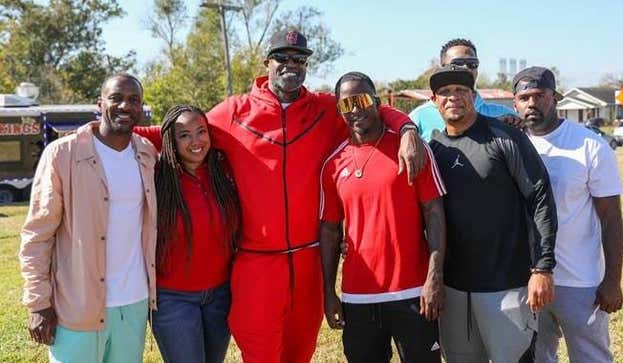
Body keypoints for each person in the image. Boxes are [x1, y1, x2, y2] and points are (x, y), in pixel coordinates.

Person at [134, 29, 426, 363]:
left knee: (299, 355)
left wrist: (407, 129)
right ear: (266, 63)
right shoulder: (233, 112)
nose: (291, 65)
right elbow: (169, 132)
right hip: (257, 263)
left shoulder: (324, 108)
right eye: (282, 58)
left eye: (299, 59)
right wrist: (103, 130)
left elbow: (374, 108)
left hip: (309, 263)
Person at [19, 74, 158, 363]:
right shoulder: (62, 154)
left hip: (133, 304)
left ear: (141, 107)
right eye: (116, 98)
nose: (125, 105)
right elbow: (37, 235)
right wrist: (38, 303)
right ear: (100, 103)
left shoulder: (146, 154)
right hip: (76, 305)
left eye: (134, 100)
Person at [428, 65, 558, 362]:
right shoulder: (433, 148)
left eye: (461, 90)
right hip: (454, 290)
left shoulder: (504, 136)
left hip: (507, 285)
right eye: (445, 92)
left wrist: (542, 268)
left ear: (473, 95)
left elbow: (540, 199)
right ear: (434, 100)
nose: (453, 98)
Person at [319, 72, 447, 363]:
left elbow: (434, 213)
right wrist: (328, 292)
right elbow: (329, 231)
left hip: (414, 292)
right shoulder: (333, 163)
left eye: (362, 100)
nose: (355, 110)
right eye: (345, 104)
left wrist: (434, 277)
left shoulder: (412, 151)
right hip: (358, 297)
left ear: (377, 103)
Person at [512, 66, 623, 363]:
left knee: (591, 357)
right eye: (524, 97)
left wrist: (612, 280)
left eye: (540, 95)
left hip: (579, 280)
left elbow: (611, 217)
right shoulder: (510, 144)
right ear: (515, 103)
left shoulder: (589, 146)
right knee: (537, 356)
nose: (532, 103)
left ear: (556, 97)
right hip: (526, 279)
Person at [151, 105, 241, 363]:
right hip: (173, 299)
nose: (195, 141)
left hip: (220, 296)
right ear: (170, 140)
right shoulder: (157, 177)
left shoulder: (223, 172)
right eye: (184, 135)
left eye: (201, 131)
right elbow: (127, 133)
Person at [410, 38, 517, 141]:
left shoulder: (505, 116)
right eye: (457, 63)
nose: (466, 68)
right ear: (442, 68)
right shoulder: (418, 118)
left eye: (472, 64)